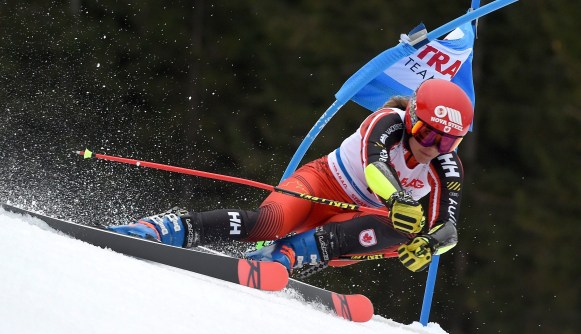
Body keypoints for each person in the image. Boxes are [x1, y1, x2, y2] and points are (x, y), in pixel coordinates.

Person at [109, 79, 474, 274]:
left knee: (408, 231)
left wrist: (430, 245)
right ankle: (166, 229)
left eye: (448, 141)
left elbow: (448, 228)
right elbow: (373, 167)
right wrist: (397, 198)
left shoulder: (446, 164)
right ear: (411, 118)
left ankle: (285, 255)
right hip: (323, 184)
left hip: (354, 219)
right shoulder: (385, 122)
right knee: (267, 222)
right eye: (428, 134)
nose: (434, 147)